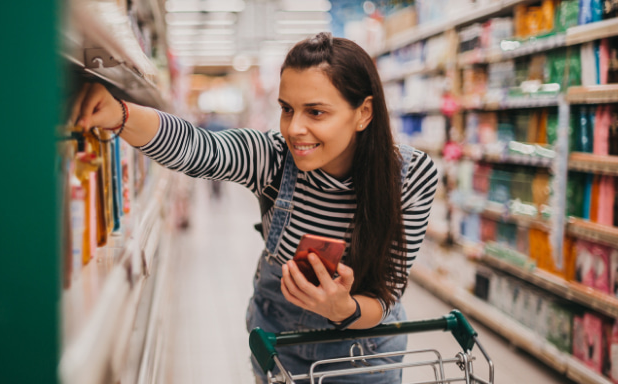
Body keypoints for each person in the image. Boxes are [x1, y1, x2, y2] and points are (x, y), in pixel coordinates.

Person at [72, 32, 438, 383]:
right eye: (287, 109)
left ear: (364, 113)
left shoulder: (410, 176)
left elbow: (387, 292)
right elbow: (199, 148)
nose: (294, 129)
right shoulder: (273, 157)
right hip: (282, 343)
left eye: (316, 112)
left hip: (365, 354)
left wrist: (344, 310)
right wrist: (120, 114)